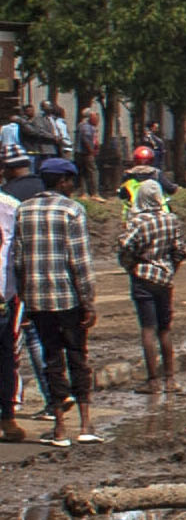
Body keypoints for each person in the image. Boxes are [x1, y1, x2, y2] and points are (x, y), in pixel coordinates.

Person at [10, 163, 97, 446]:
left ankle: (59, 429)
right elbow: (79, 261)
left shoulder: (24, 210)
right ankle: (85, 425)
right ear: (62, 181)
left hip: (37, 300)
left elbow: (19, 260)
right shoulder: (72, 210)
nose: (72, 186)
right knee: (77, 358)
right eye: (71, 181)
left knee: (51, 360)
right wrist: (88, 301)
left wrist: (24, 295)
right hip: (69, 298)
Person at [114, 163, 179, 406]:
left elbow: (125, 247)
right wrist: (170, 268)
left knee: (148, 329)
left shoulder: (137, 222)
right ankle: (170, 379)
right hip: (165, 278)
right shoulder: (171, 220)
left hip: (142, 278)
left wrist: (131, 266)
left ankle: (153, 381)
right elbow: (180, 251)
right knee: (165, 329)